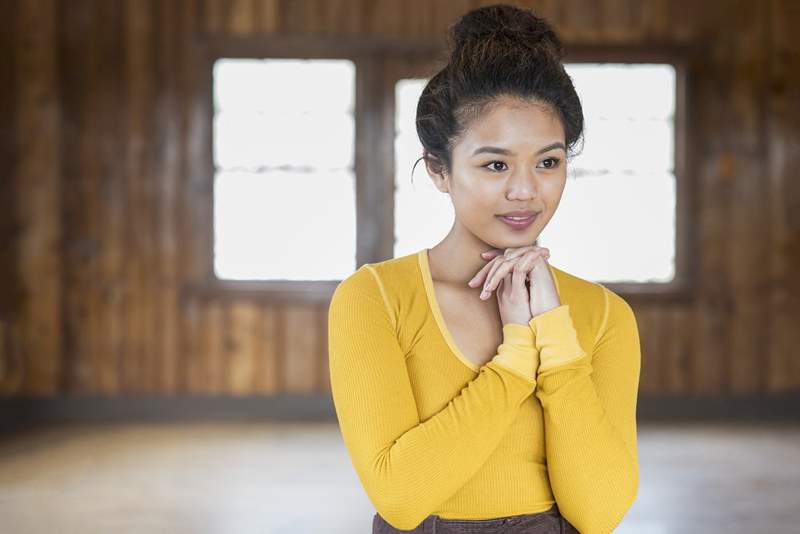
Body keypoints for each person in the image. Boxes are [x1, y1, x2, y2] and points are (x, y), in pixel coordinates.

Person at [328, 4, 641, 533]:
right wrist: (518, 354)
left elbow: (599, 512)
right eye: (495, 164)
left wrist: (553, 335)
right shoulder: (375, 297)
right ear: (438, 169)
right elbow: (402, 497)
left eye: (549, 161)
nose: (525, 190)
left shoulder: (603, 315)